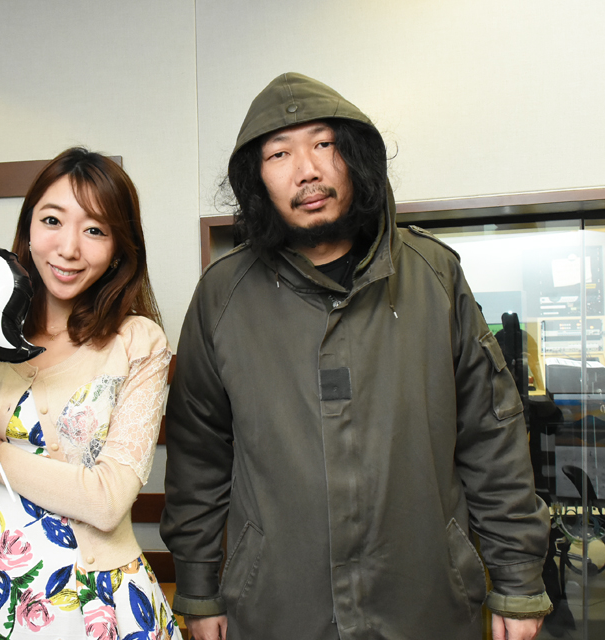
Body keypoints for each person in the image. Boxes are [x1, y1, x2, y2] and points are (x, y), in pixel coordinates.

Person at [159, 73, 552, 640]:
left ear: (355, 156)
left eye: (323, 143)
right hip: (277, 610)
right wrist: (198, 588)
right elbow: (198, 455)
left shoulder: (434, 275)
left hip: (426, 604)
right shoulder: (223, 295)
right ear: (256, 178)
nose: (306, 170)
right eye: (279, 154)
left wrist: (517, 580)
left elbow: (492, 436)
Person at [0, 147, 182, 639]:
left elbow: (107, 501)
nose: (69, 248)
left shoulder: (139, 342)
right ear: (29, 228)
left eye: (95, 230)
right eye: (52, 220)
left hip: (97, 600)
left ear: (120, 248)